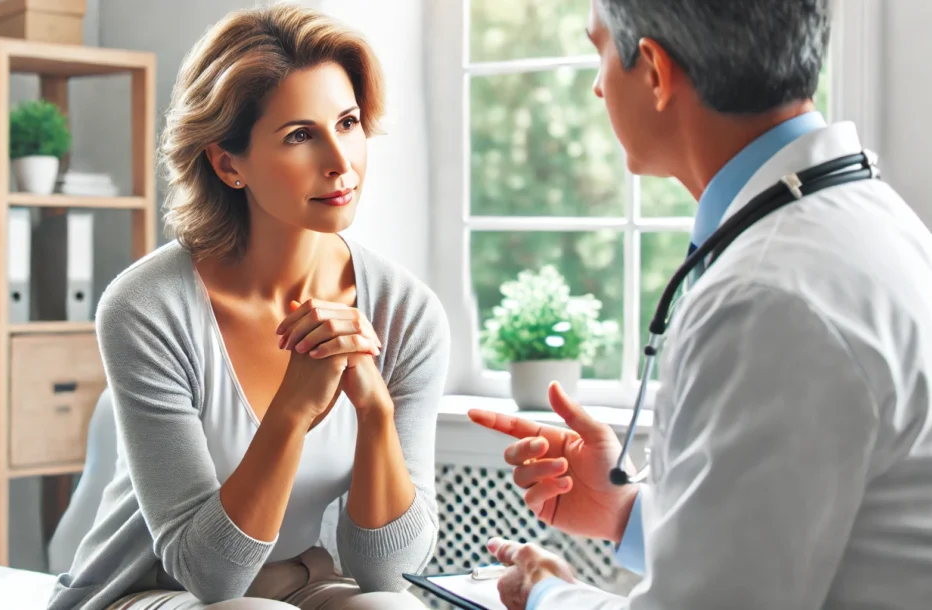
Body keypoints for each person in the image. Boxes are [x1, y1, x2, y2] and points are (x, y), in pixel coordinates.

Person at [470, 0, 932, 608]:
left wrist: (544, 595)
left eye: (600, 51)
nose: (596, 86)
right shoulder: (872, 223)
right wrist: (626, 513)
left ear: (656, 71)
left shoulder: (767, 298)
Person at [46, 4, 449, 609]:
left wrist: (374, 410)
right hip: (151, 589)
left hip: (304, 582)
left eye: (347, 122)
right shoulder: (146, 307)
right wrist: (293, 408)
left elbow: (385, 571)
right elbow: (209, 577)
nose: (341, 161)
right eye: (299, 135)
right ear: (227, 162)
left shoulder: (405, 312)